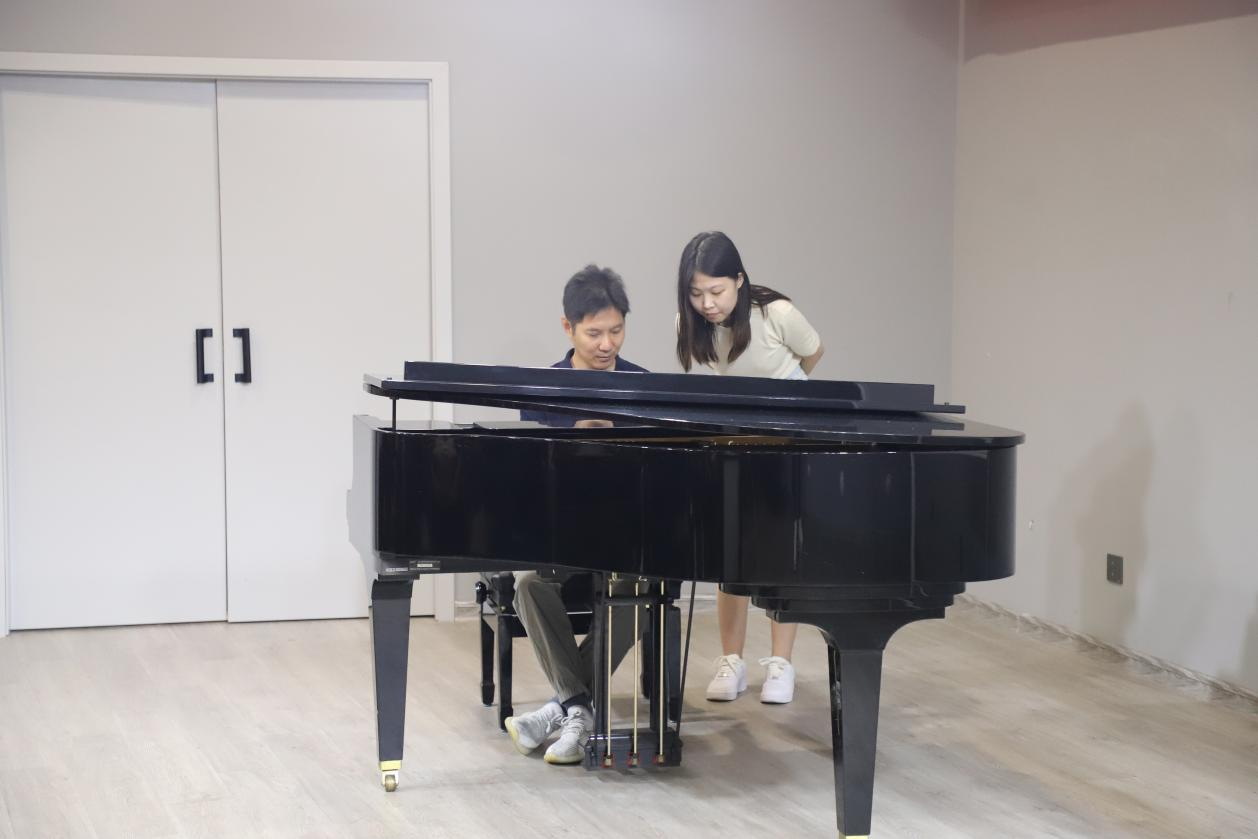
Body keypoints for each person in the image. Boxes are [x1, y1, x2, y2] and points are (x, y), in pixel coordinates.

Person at [507, 264, 648, 764]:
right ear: (568, 328)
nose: (607, 344)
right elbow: (530, 480)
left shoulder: (645, 386)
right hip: (561, 536)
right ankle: (577, 708)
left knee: (643, 591)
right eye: (594, 333)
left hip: (626, 539)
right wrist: (573, 435)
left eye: (616, 331)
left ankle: (560, 711)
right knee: (528, 583)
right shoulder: (542, 390)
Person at [675, 231, 824, 705]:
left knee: (782, 549)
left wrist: (783, 397)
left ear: (739, 280)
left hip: (787, 439)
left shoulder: (776, 314)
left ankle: (781, 663)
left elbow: (813, 352)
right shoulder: (691, 322)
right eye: (696, 293)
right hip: (736, 438)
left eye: (716, 291)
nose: (707, 303)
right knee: (731, 554)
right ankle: (732, 661)